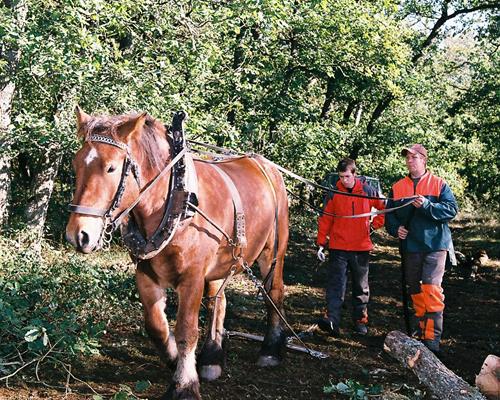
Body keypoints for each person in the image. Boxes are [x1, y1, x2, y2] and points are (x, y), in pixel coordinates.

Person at [385, 144, 458, 354]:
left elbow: (451, 210)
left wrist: (427, 205)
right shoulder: (398, 187)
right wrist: (395, 229)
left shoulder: (438, 184)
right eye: (407, 158)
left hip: (435, 245)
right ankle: (419, 333)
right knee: (415, 290)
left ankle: (432, 340)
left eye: (414, 157)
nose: (410, 161)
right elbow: (389, 214)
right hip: (411, 247)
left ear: (424, 160)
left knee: (431, 289)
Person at [316, 158, 385, 336]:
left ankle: (360, 320)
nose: (344, 180)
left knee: (361, 287)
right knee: (336, 285)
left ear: (354, 174)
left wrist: (372, 225)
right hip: (338, 247)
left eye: (347, 176)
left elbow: (384, 209)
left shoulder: (368, 190)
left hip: (361, 247)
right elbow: (326, 219)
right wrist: (321, 243)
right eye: (341, 176)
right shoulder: (333, 192)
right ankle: (332, 319)